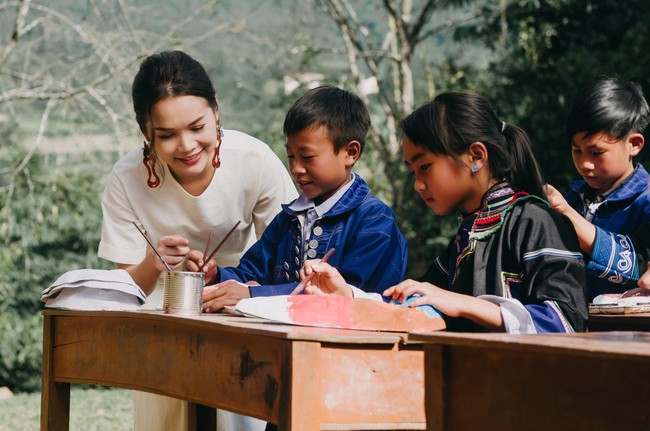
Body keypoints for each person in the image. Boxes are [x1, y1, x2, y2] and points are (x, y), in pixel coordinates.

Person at [97, 50, 297, 431]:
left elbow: (286, 259)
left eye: (197, 126)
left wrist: (236, 284)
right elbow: (128, 290)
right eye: (167, 135)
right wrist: (153, 265)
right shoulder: (125, 178)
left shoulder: (254, 160)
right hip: (161, 321)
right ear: (145, 132)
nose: (187, 146)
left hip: (241, 309)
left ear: (216, 110)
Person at [300, 91, 589, 334]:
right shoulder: (466, 236)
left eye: (424, 166)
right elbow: (415, 303)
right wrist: (346, 297)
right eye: (412, 171)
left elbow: (566, 321)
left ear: (475, 156)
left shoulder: (537, 221)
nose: (418, 185)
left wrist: (463, 303)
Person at [193, 85, 408, 312]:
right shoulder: (289, 219)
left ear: (350, 152)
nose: (296, 168)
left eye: (307, 157)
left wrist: (254, 293)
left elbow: (342, 295)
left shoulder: (374, 220)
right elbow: (251, 273)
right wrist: (216, 275)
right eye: (291, 156)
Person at [544, 78, 650, 300]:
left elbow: (636, 268)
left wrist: (566, 213)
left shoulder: (646, 201)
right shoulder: (573, 197)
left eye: (597, 152)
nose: (584, 164)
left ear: (634, 144)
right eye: (577, 151)